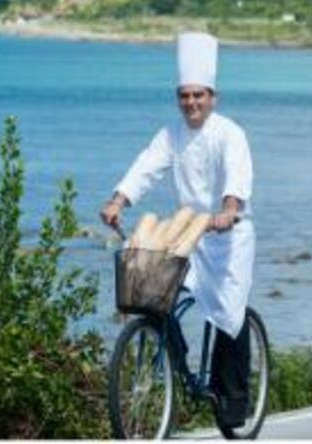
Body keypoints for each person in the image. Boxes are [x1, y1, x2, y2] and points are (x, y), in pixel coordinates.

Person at [99, 31, 255, 427]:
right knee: (154, 294)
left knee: (229, 316)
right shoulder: (171, 134)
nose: (191, 103)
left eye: (198, 95)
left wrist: (228, 209)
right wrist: (119, 200)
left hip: (227, 238)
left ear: (212, 97)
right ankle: (175, 359)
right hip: (187, 235)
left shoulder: (229, 133)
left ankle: (232, 403)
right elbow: (147, 166)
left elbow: (237, 177)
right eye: (184, 96)